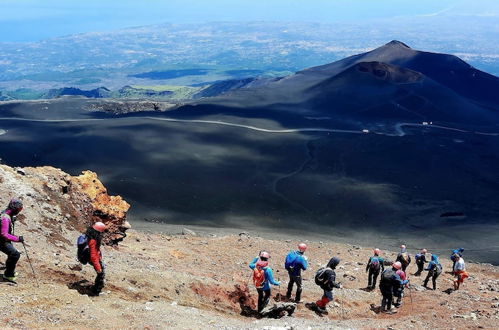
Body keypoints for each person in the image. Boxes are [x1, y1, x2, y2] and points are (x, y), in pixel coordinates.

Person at [0, 198, 24, 282]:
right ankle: (8, 275)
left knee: (12, 253)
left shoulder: (6, 213)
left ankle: (10, 271)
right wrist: (17, 239)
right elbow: (4, 234)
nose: (19, 211)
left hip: (3, 240)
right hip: (2, 241)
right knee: (15, 254)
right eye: (19, 209)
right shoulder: (5, 218)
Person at [85, 222, 106, 294]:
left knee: (101, 272)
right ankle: (96, 291)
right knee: (101, 274)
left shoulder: (89, 236)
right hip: (95, 260)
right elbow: (93, 256)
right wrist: (98, 268)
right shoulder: (93, 241)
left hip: (94, 258)